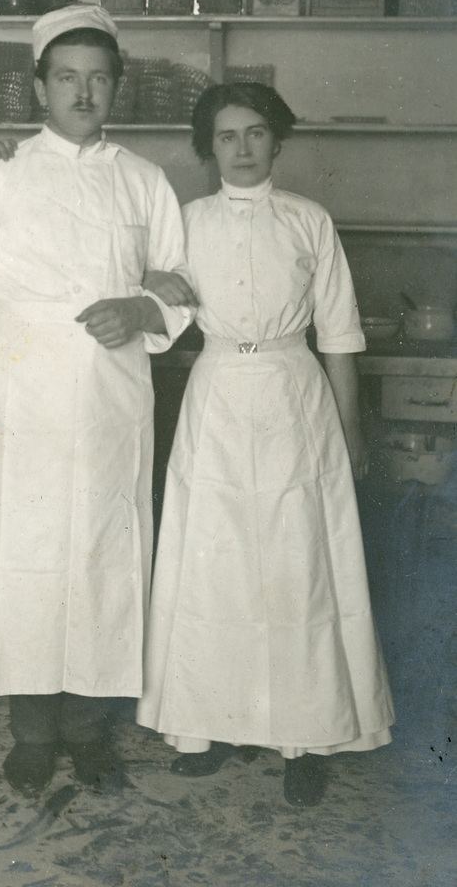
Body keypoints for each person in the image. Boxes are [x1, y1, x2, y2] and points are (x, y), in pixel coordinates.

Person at [0, 4, 196, 795]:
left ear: (117, 87)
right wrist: (14, 338)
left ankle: (88, 732)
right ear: (39, 88)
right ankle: (30, 734)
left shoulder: (144, 180)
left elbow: (179, 283)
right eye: (66, 78)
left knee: (102, 556)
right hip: (22, 395)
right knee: (25, 557)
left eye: (97, 79)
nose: (83, 93)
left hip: (111, 397)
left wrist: (141, 310)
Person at [137, 81, 394, 808]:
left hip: (293, 395)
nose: (242, 148)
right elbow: (159, 315)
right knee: (213, 563)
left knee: (295, 566)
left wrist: (350, 431)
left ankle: (304, 738)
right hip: (217, 392)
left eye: (255, 132)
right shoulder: (185, 223)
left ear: (276, 140)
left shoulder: (308, 220)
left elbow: (339, 335)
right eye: (226, 135)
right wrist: (144, 277)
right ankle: (206, 726)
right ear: (208, 147)